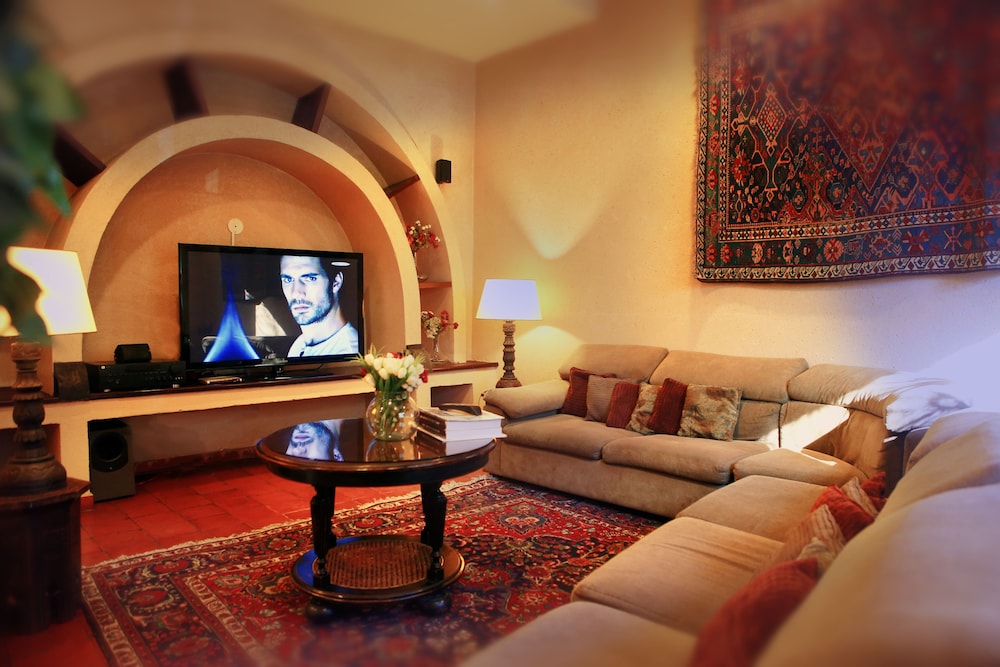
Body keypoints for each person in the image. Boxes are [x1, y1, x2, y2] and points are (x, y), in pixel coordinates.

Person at [279, 255, 359, 357]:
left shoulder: (349, 353)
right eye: (288, 280)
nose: (296, 293)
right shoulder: (298, 345)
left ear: (336, 282)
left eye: (310, 278)